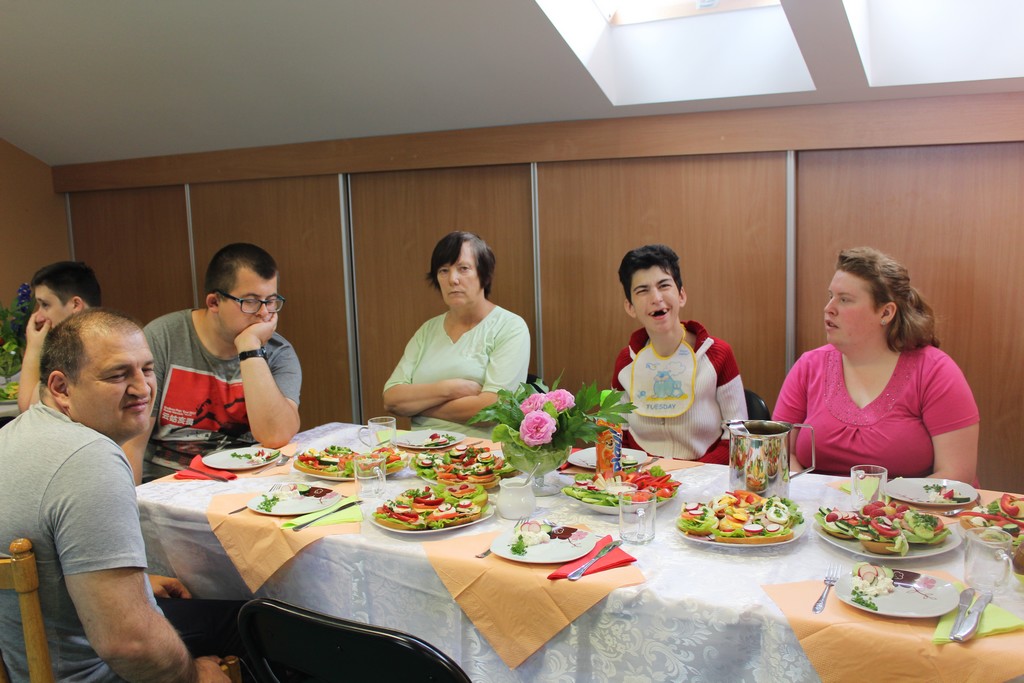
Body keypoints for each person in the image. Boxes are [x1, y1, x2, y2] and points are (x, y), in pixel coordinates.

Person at [0, 309, 235, 681]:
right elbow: (130, 644)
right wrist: (195, 675)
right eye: (117, 374)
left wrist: (138, 585)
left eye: (147, 369)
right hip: (90, 673)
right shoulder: (88, 458)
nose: (143, 388)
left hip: (24, 664)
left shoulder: (13, 435)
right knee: (260, 624)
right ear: (61, 387)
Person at [773, 247, 979, 481]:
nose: (829, 308)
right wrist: (811, 491)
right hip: (818, 504)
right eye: (830, 296)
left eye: (844, 299)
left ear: (886, 313)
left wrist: (879, 501)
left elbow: (956, 475)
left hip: (908, 504)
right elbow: (778, 451)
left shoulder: (935, 371)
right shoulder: (809, 366)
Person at [125, 243, 302, 483]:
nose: (264, 313)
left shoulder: (278, 351)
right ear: (214, 302)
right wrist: (134, 501)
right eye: (250, 301)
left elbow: (276, 436)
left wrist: (250, 347)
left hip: (243, 483)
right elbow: (132, 443)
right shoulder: (161, 339)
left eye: (270, 301)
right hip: (167, 483)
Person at [383, 231, 530, 440]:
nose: (453, 279)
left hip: (482, 453)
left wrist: (418, 407)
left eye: (463, 268)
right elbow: (391, 399)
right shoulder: (428, 330)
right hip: (419, 449)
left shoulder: (510, 327)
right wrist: (450, 389)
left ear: (484, 274)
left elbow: (492, 409)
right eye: (444, 271)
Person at [611, 244, 746, 463]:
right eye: (643, 290)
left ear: (681, 295)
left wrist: (693, 475)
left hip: (706, 477)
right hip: (643, 478)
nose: (656, 298)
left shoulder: (718, 354)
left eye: (664, 285)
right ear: (630, 307)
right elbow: (617, 434)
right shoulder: (625, 361)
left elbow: (738, 436)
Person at [16, 261, 101, 413]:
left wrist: (34, 347)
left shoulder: (80, 352)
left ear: (75, 305)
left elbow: (29, 410)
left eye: (45, 305)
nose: (39, 316)